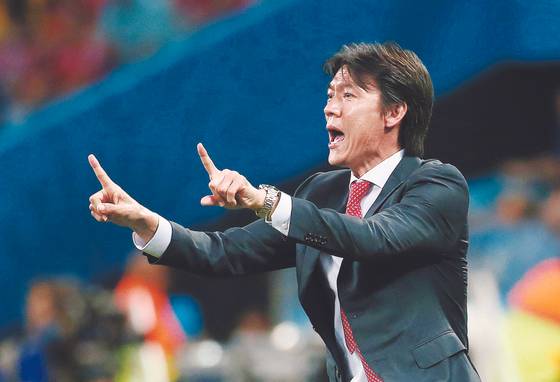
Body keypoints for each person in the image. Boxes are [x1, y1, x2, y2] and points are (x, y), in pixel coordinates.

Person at [88, 42, 479, 381]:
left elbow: (373, 237)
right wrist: (145, 221)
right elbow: (225, 252)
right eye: (329, 95)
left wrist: (265, 201)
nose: (330, 109)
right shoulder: (322, 194)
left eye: (348, 96)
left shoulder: (436, 185)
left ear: (393, 113)